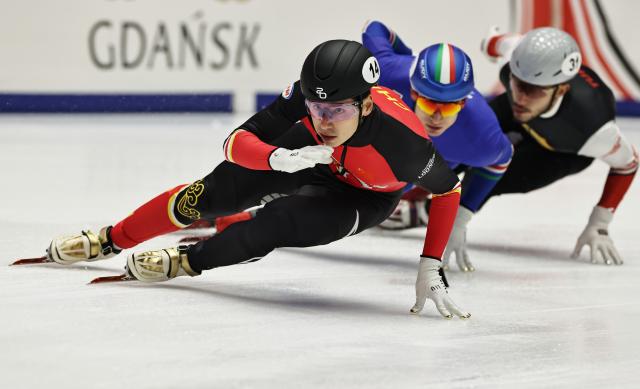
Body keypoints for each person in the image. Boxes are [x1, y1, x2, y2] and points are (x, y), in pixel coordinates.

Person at [44, 40, 470, 319]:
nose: (324, 119)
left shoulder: (404, 142)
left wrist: (429, 265)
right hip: (303, 156)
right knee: (206, 195)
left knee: (277, 221)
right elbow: (236, 140)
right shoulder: (305, 104)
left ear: (366, 106)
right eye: (316, 108)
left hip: (361, 197)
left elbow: (448, 188)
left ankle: (190, 261)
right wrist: (277, 158)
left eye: (338, 110)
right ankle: (113, 237)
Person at [476, 27, 638, 265]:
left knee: (494, 179)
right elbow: (491, 42)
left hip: (561, 150)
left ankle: (425, 211)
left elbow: (627, 164)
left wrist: (600, 223)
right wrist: (492, 44)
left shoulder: (595, 129)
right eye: (517, 83)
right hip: (517, 116)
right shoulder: (519, 54)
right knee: (462, 140)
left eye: (532, 90)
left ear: (561, 89)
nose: (520, 97)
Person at [361, 21, 514, 272]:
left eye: (450, 106)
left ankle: (412, 205)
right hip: (387, 147)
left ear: (463, 103)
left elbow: (502, 159)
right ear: (413, 93)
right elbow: (374, 27)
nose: (437, 117)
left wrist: (460, 219)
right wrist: (406, 55)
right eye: (430, 104)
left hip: (418, 165)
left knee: (360, 205)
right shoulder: (388, 71)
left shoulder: (482, 135)